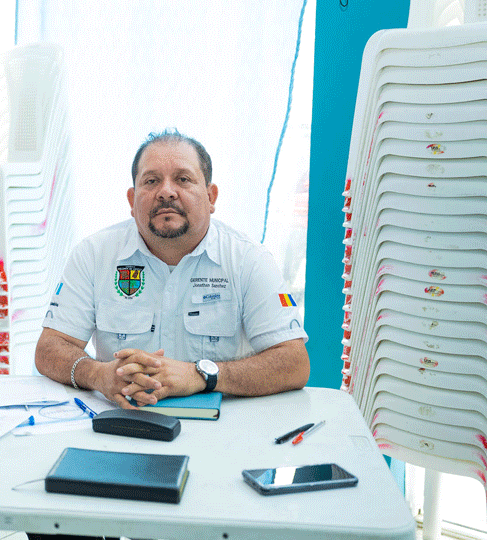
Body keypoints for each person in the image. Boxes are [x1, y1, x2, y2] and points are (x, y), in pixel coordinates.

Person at [35, 130, 309, 410]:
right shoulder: (94, 255)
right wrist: (97, 374)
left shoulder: (249, 260)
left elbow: (294, 362)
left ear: (211, 197)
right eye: (151, 181)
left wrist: (201, 375)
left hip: (221, 428)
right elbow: (49, 348)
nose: (166, 192)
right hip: (121, 421)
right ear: (132, 201)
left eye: (183, 179)